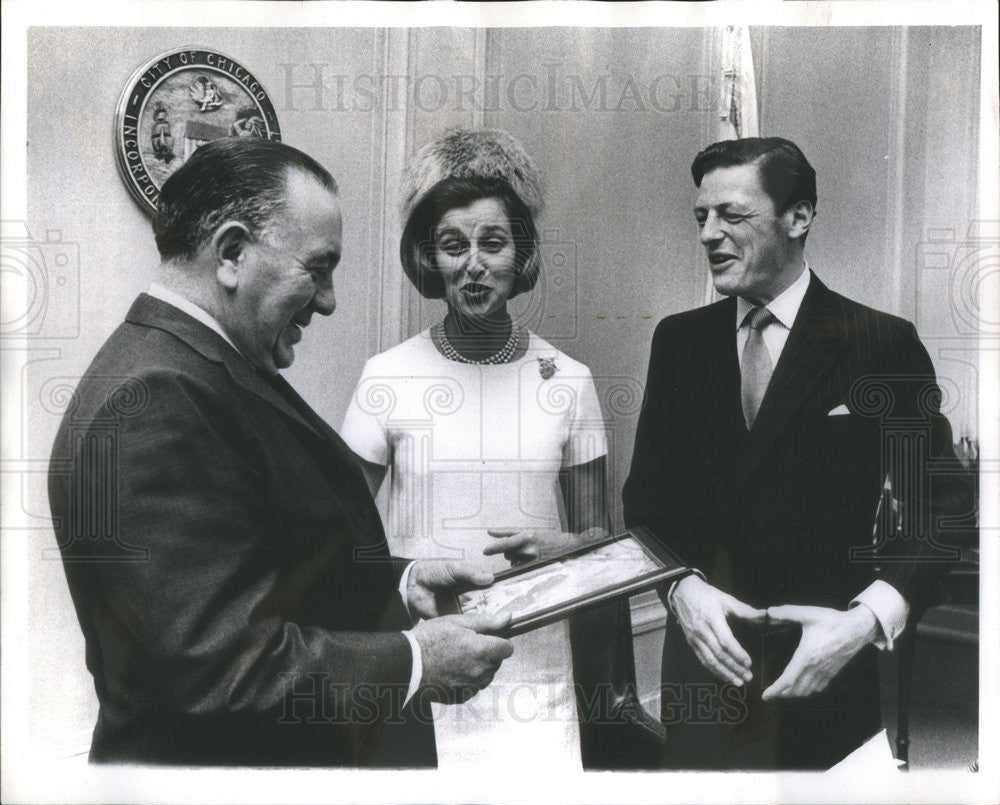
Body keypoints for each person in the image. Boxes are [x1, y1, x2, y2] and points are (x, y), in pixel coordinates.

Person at [47, 137, 514, 767]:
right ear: (233, 253)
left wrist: (400, 580)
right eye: (317, 268)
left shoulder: (202, 365)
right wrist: (419, 659)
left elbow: (268, 560)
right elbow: (218, 668)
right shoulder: (158, 395)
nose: (328, 300)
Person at [623, 137, 973, 769]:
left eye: (732, 215)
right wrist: (679, 589)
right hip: (702, 673)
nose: (708, 233)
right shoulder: (679, 342)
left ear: (799, 217)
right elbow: (647, 505)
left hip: (828, 675)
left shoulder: (878, 344)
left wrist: (864, 623)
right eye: (701, 217)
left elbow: (942, 512)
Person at [342, 128, 662, 771]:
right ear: (432, 261)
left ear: (522, 256)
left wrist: (567, 549)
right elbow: (341, 535)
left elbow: (601, 538)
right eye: (453, 246)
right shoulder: (387, 376)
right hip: (428, 651)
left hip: (535, 659)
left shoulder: (569, 380)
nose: (474, 264)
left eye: (493, 242)